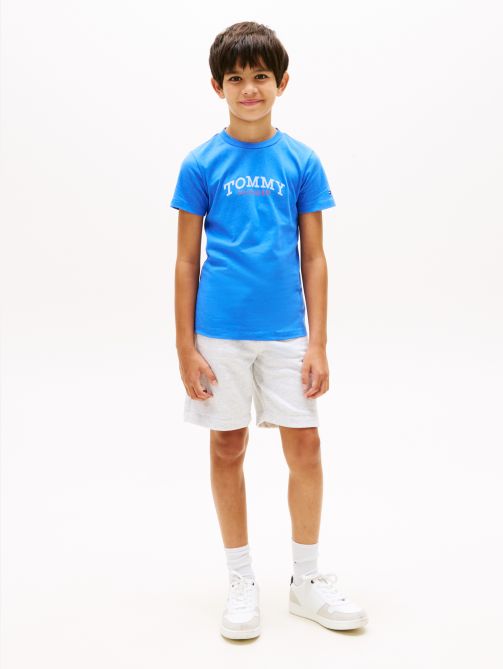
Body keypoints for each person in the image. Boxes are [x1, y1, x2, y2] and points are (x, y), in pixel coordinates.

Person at [171, 21, 368, 640]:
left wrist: (319, 342)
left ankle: (306, 581)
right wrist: (185, 347)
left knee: (305, 447)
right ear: (217, 87)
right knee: (227, 447)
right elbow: (186, 260)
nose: (249, 88)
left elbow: (314, 256)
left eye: (261, 76)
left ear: (282, 82)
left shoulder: (301, 160)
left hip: (287, 333)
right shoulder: (200, 163)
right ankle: (240, 581)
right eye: (236, 78)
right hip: (220, 334)